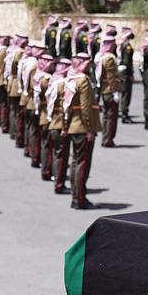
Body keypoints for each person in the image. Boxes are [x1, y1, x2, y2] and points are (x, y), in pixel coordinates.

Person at [64, 53, 102, 210]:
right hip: (82, 127)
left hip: (73, 125)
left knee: (75, 162)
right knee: (82, 163)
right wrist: (89, 128)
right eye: (86, 62)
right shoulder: (83, 81)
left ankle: (75, 193)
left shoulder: (70, 78)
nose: (89, 64)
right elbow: (86, 108)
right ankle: (79, 197)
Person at [46, 58, 71, 194]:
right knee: (62, 155)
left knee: (56, 153)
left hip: (52, 120)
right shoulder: (63, 84)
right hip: (59, 124)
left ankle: (56, 178)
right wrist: (65, 127)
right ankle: (59, 184)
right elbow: (64, 109)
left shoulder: (53, 80)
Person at [33, 53, 56, 181]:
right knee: (48, 144)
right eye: (52, 64)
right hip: (47, 113)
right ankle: (47, 170)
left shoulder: (38, 75)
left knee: (44, 142)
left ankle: (45, 168)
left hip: (42, 111)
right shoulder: (46, 79)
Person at [19, 44, 43, 163]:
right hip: (34, 101)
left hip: (28, 98)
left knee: (30, 127)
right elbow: (34, 87)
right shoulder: (34, 66)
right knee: (34, 130)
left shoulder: (27, 62)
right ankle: (34, 153)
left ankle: (28, 148)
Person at [95, 37, 121, 148]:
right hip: (109, 91)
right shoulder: (109, 58)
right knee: (111, 116)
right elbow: (111, 77)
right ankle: (108, 139)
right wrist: (114, 90)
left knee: (106, 116)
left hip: (104, 90)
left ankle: (105, 137)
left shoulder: (101, 57)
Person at [6, 34, 28, 145]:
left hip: (12, 81)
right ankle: (17, 134)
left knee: (13, 110)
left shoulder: (12, 50)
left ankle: (13, 132)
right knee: (17, 112)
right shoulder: (19, 53)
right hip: (17, 83)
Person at [117, 27, 135, 124]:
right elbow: (127, 61)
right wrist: (130, 74)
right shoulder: (127, 46)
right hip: (125, 72)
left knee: (124, 93)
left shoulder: (122, 44)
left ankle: (123, 112)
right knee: (126, 93)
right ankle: (124, 114)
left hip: (121, 71)